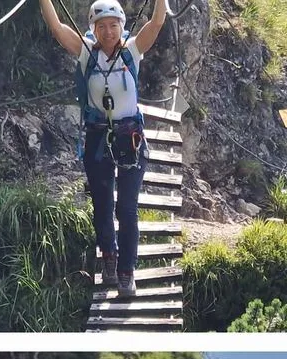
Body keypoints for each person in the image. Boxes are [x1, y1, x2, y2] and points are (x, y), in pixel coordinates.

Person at [38, 0, 170, 296]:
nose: (108, 32)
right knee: (102, 204)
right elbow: (58, 28)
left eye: (113, 25)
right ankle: (108, 259)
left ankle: (127, 272)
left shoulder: (132, 51)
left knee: (127, 208)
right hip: (98, 138)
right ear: (93, 29)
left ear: (122, 27)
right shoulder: (87, 53)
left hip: (130, 137)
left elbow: (157, 22)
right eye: (101, 26)